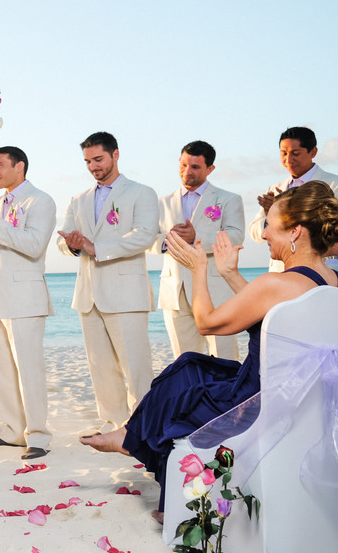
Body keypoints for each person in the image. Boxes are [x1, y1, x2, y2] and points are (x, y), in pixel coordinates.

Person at [81, 181, 338, 518]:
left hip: (255, 399)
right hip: (301, 394)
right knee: (191, 366)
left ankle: (134, 445)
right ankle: (132, 440)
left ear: (296, 232)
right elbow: (271, 317)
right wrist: (230, 273)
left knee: (185, 383)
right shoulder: (328, 282)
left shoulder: (275, 283)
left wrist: (199, 268)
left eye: (269, 226)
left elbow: (207, 323)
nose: (263, 235)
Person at [57, 131, 158, 432]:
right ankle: (115, 424)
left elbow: (143, 236)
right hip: (89, 294)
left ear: (115, 154)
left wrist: (95, 248)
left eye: (98, 159)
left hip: (127, 293)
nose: (93, 166)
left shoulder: (141, 193)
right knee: (100, 366)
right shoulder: (78, 199)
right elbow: (64, 240)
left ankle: (142, 426)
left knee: (136, 366)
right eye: (88, 161)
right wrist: (73, 244)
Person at [0, 147, 56, 460]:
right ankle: (13, 431)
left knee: (29, 369)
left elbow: (34, 246)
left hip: (24, 298)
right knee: (3, 370)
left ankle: (38, 436)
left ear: (19, 166)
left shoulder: (40, 200)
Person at [149, 141, 245, 360]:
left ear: (210, 169)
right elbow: (149, 240)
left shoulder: (229, 199)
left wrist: (196, 238)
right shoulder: (161, 203)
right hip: (175, 291)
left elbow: (236, 234)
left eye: (195, 167)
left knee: (224, 359)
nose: (187, 171)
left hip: (216, 290)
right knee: (184, 361)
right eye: (183, 165)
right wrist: (169, 240)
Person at [248, 127, 338, 272]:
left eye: (295, 153)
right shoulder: (275, 188)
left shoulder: (334, 185)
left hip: (319, 272)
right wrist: (269, 216)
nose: (288, 159)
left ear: (313, 152)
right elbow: (255, 233)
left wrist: (282, 214)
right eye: (283, 153)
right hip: (280, 273)